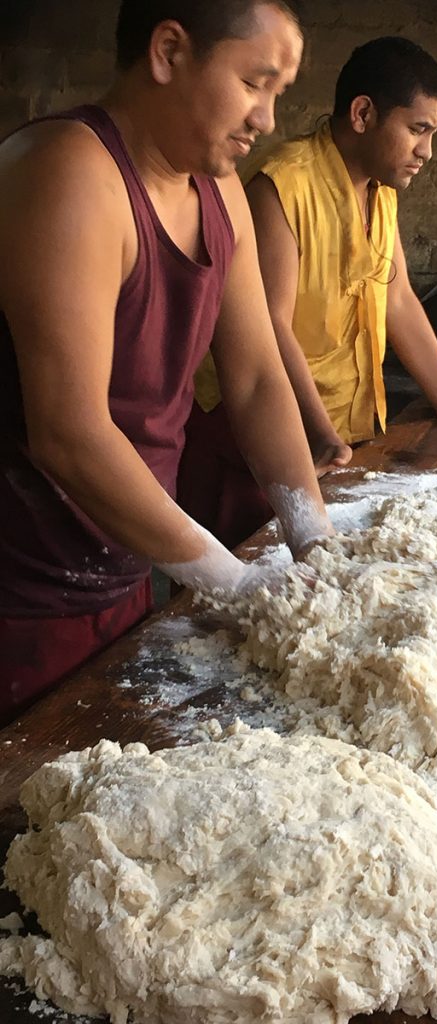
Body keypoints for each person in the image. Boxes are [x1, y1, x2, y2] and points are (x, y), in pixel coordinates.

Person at [0, 0, 334, 725]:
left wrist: (314, 540)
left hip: (124, 563)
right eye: (255, 83)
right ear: (169, 51)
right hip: (21, 596)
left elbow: (254, 378)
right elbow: (68, 431)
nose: (267, 118)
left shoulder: (218, 191)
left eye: (278, 94)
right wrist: (231, 580)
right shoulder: (72, 173)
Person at [179, 35, 437, 544]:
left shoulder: (381, 189)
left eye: (434, 132)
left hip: (345, 431)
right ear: (363, 113)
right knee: (241, 583)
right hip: (257, 435)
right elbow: (269, 325)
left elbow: (397, 300)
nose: (427, 151)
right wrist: (316, 429)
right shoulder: (280, 185)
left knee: (320, 576)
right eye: (418, 129)